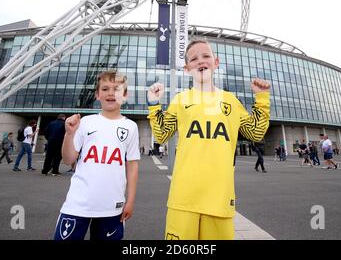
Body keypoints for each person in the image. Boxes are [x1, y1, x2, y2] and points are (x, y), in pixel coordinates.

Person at [147, 38, 270, 240]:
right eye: (194, 59)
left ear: (216, 62)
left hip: (219, 199)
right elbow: (161, 134)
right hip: (184, 198)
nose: (201, 61)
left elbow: (255, 133)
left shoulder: (230, 100)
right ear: (187, 69)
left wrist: (262, 98)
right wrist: (153, 104)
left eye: (206, 56)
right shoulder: (181, 100)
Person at [54, 71, 140, 240]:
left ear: (125, 95)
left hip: (112, 207)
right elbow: (68, 159)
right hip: (78, 204)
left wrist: (130, 200)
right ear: (97, 94)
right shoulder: (85, 122)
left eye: (116, 89)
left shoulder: (131, 127)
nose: (110, 93)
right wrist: (69, 135)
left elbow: (132, 165)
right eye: (105, 88)